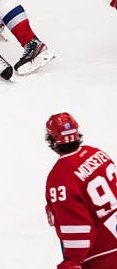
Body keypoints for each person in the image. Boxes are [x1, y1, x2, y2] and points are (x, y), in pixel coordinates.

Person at [44, 112, 117, 269]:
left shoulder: (60, 177)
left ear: (52, 140)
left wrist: (72, 262)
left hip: (102, 255)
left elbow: (76, 225)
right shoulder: (97, 154)